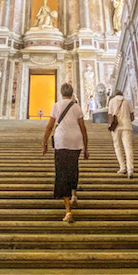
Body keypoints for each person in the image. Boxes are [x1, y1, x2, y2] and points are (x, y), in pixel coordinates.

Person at [42, 82, 88, 223]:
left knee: (62, 173)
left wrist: (44, 142)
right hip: (75, 142)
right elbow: (83, 127)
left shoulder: (57, 105)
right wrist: (86, 147)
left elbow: (50, 126)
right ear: (72, 93)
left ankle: (68, 211)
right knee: (73, 168)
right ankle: (73, 193)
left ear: (61, 93)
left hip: (61, 142)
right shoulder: (77, 107)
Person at [107, 90, 135, 178]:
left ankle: (122, 167)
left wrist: (110, 125)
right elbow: (132, 117)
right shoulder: (127, 101)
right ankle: (130, 170)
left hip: (116, 127)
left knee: (117, 147)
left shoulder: (111, 101)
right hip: (126, 126)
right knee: (128, 147)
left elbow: (110, 115)